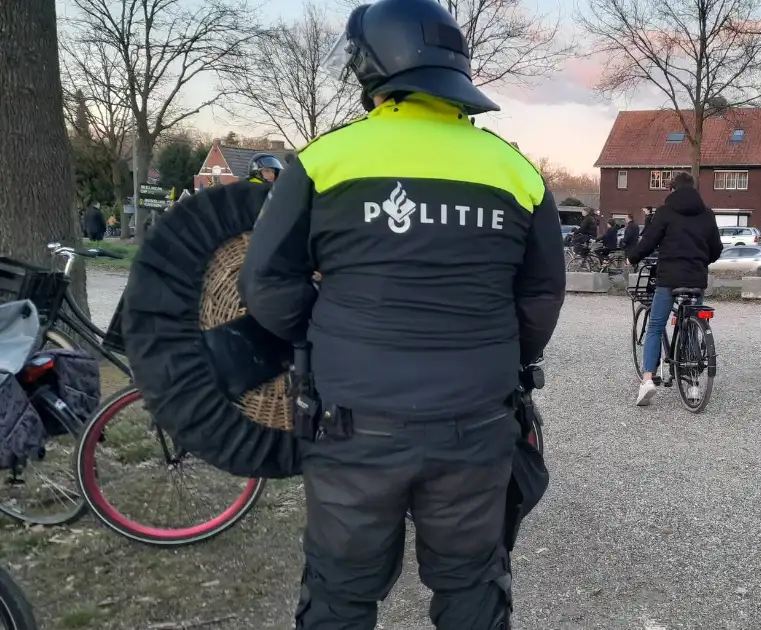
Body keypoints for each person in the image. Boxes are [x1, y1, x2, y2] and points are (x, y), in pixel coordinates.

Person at [237, 0, 566, 627]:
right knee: (473, 585)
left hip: (354, 426)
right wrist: (500, 353)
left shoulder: (324, 162)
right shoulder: (517, 172)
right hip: (477, 422)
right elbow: (542, 294)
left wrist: (330, 331)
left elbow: (267, 283)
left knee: (339, 591)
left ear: (372, 65)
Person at [627, 172, 723, 406]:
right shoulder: (707, 214)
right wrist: (701, 260)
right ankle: (692, 385)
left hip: (669, 279)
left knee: (656, 325)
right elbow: (716, 248)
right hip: (697, 279)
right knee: (691, 325)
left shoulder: (666, 212)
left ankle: (648, 380)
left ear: (672, 189)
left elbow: (648, 241)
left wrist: (633, 258)